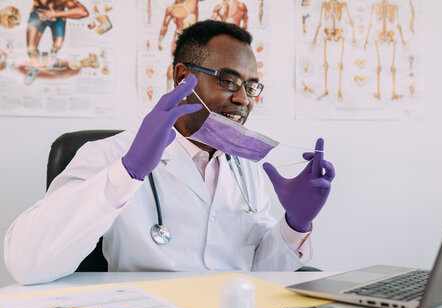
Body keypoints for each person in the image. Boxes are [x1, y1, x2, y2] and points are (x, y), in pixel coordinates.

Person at [4, 20, 335, 285]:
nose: (244, 100)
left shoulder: (245, 170)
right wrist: (127, 172)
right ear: (183, 77)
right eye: (229, 81)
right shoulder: (109, 155)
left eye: (251, 87)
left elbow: (257, 273)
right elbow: (25, 263)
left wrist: (295, 223)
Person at [25, 0, 89, 85]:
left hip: (57, 16)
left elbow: (83, 12)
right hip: (38, 14)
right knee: (31, 47)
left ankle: (52, 56)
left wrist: (55, 14)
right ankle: (34, 66)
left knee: (58, 44)